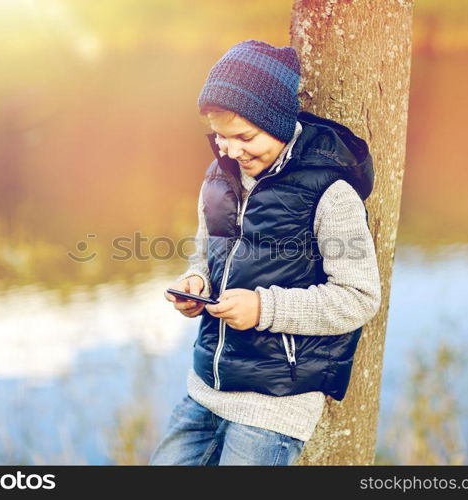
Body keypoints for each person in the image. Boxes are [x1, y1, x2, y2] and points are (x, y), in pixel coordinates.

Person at [149, 40, 381, 466]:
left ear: (275, 121)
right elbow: (207, 255)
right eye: (220, 135)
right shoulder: (219, 177)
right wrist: (196, 283)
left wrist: (263, 308)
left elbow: (359, 297)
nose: (229, 149)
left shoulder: (331, 193)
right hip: (205, 387)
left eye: (244, 137)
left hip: (275, 404)